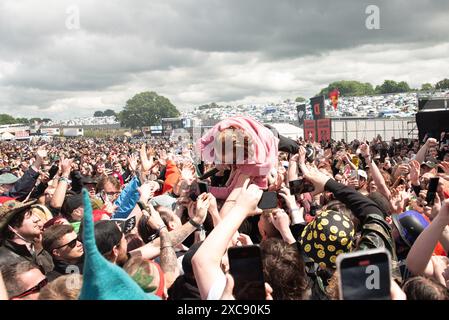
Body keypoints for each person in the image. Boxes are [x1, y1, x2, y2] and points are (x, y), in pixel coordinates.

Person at [0, 199, 54, 274]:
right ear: (13, 227)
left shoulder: (38, 246)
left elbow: (50, 272)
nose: (36, 219)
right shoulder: (4, 260)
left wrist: (39, 250)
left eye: (32, 214)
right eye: (28, 216)